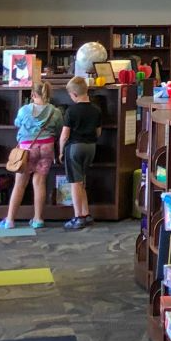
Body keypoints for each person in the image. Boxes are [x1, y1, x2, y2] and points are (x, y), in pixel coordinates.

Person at [0, 79, 62, 230]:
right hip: (47, 147)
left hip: (27, 149)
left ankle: (9, 220)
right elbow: (59, 128)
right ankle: (38, 219)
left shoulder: (24, 110)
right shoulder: (55, 111)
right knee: (39, 183)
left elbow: (17, 123)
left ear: (33, 94)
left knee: (20, 184)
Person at [58, 76, 99, 231]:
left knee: (75, 183)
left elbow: (65, 134)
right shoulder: (96, 110)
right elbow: (98, 131)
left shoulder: (71, 111)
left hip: (74, 147)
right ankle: (86, 213)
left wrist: (61, 151)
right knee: (82, 181)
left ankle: (78, 217)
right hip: (91, 147)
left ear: (74, 94)